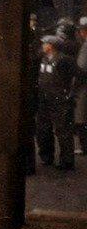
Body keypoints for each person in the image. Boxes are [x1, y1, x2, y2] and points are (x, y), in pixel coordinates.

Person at [36, 35, 77, 170]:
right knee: (44, 129)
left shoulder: (64, 60)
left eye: (45, 43)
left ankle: (67, 161)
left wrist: (70, 94)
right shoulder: (44, 59)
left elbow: (79, 76)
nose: (43, 45)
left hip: (59, 100)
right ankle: (47, 157)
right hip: (45, 99)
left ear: (51, 46)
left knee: (63, 130)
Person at [74, 18, 87, 156]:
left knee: (81, 117)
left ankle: (84, 146)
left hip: (84, 86)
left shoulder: (85, 46)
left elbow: (81, 68)